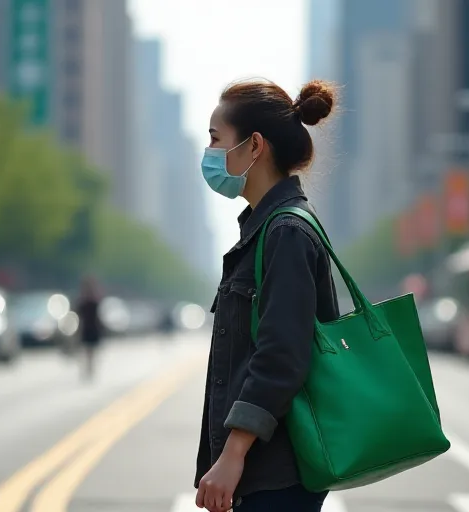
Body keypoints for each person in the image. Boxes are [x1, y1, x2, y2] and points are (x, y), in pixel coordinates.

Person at [193, 79, 339, 512]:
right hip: (265, 476)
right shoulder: (266, 230)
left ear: (254, 146)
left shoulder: (286, 232)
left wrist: (233, 454)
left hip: (277, 476)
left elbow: (280, 356)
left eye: (216, 139)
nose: (210, 153)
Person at [75, 276, 103, 379]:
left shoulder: (94, 301)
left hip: (92, 328)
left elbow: (98, 316)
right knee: (87, 350)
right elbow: (78, 316)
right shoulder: (83, 301)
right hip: (86, 328)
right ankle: (88, 368)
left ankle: (90, 368)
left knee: (91, 351)